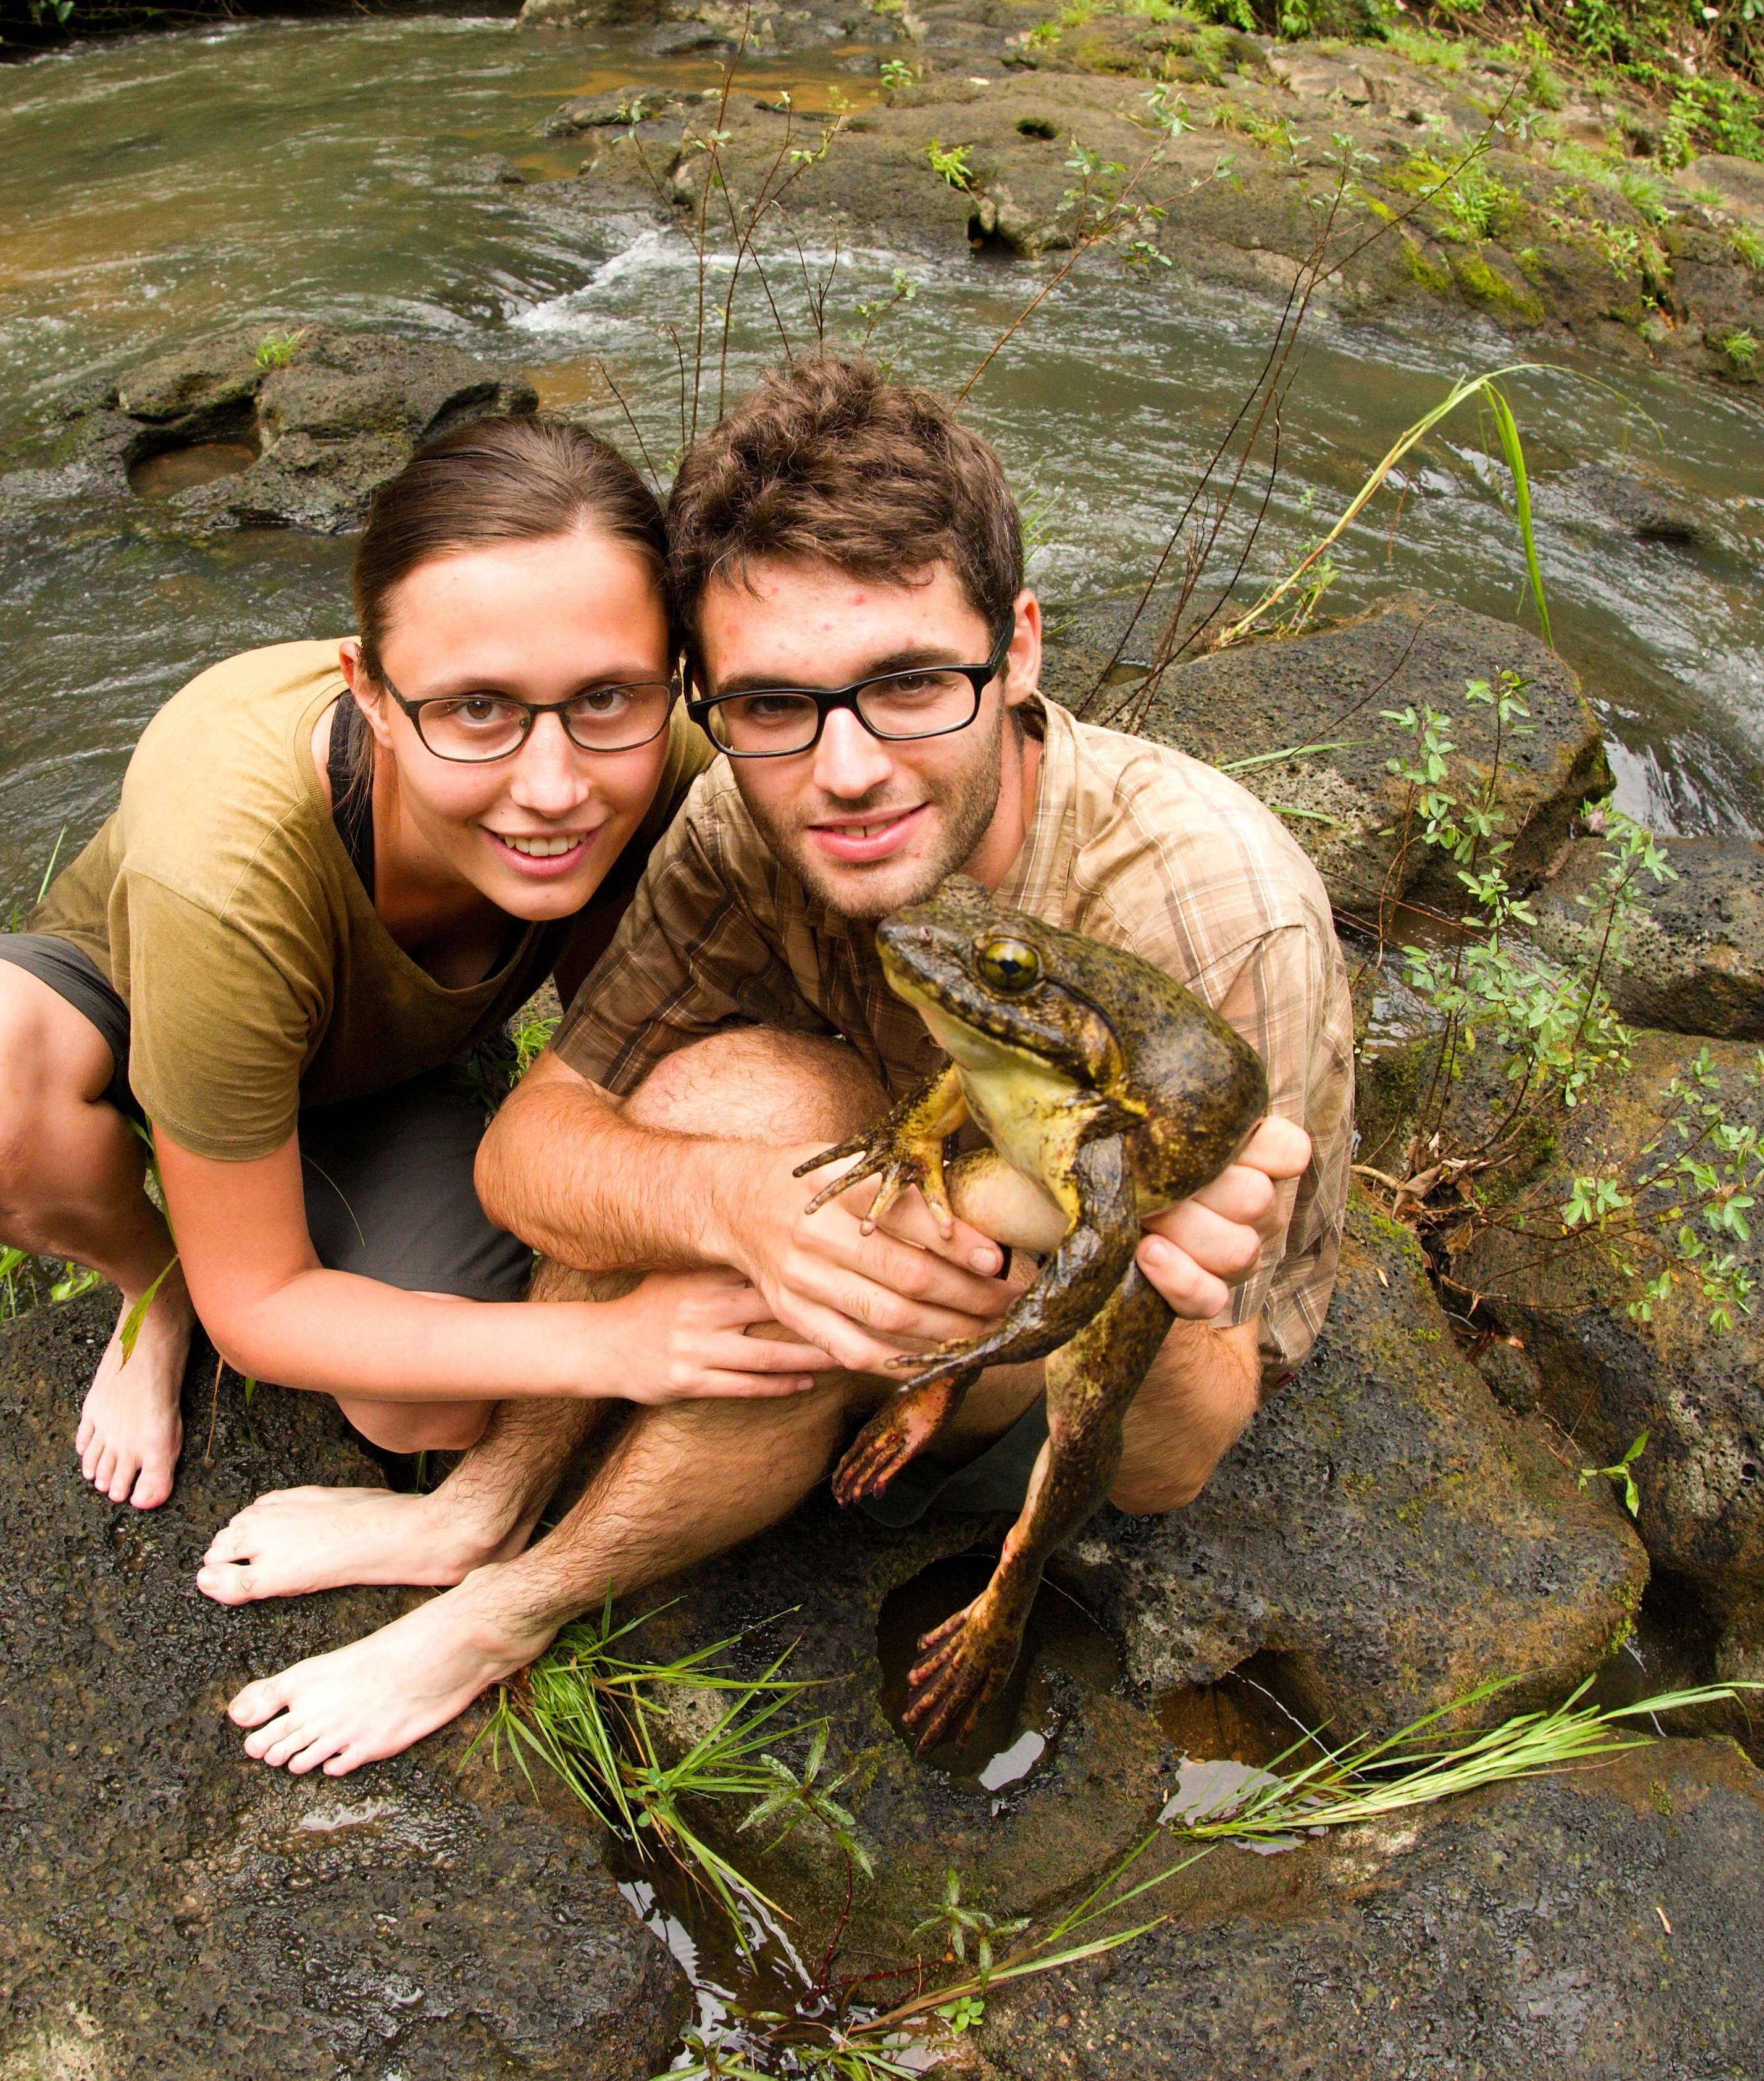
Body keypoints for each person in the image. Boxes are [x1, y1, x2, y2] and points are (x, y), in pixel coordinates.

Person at [215, 357, 1351, 1776]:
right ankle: (478, 1507)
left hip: (1081, 1343)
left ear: (1019, 650)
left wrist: (1117, 1257)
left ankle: (512, 1611)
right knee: (733, 1114)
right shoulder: (743, 826)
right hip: (905, 1171)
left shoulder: (1210, 907)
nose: (847, 769)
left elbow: (1183, 1448)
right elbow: (532, 1145)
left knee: (807, 1190)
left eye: (911, 682)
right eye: (769, 704)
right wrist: (738, 1206)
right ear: (714, 702)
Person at [0, 415, 826, 1530]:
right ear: (368, 692)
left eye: (608, 696)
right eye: (478, 708)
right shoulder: (227, 859)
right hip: (138, 1005)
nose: (555, 786)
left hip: (379, 1073)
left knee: (427, 1408)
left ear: (673, 678)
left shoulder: (678, 762)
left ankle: (380, 1148)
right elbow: (260, 1306)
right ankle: (153, 1285)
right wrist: (612, 1343)